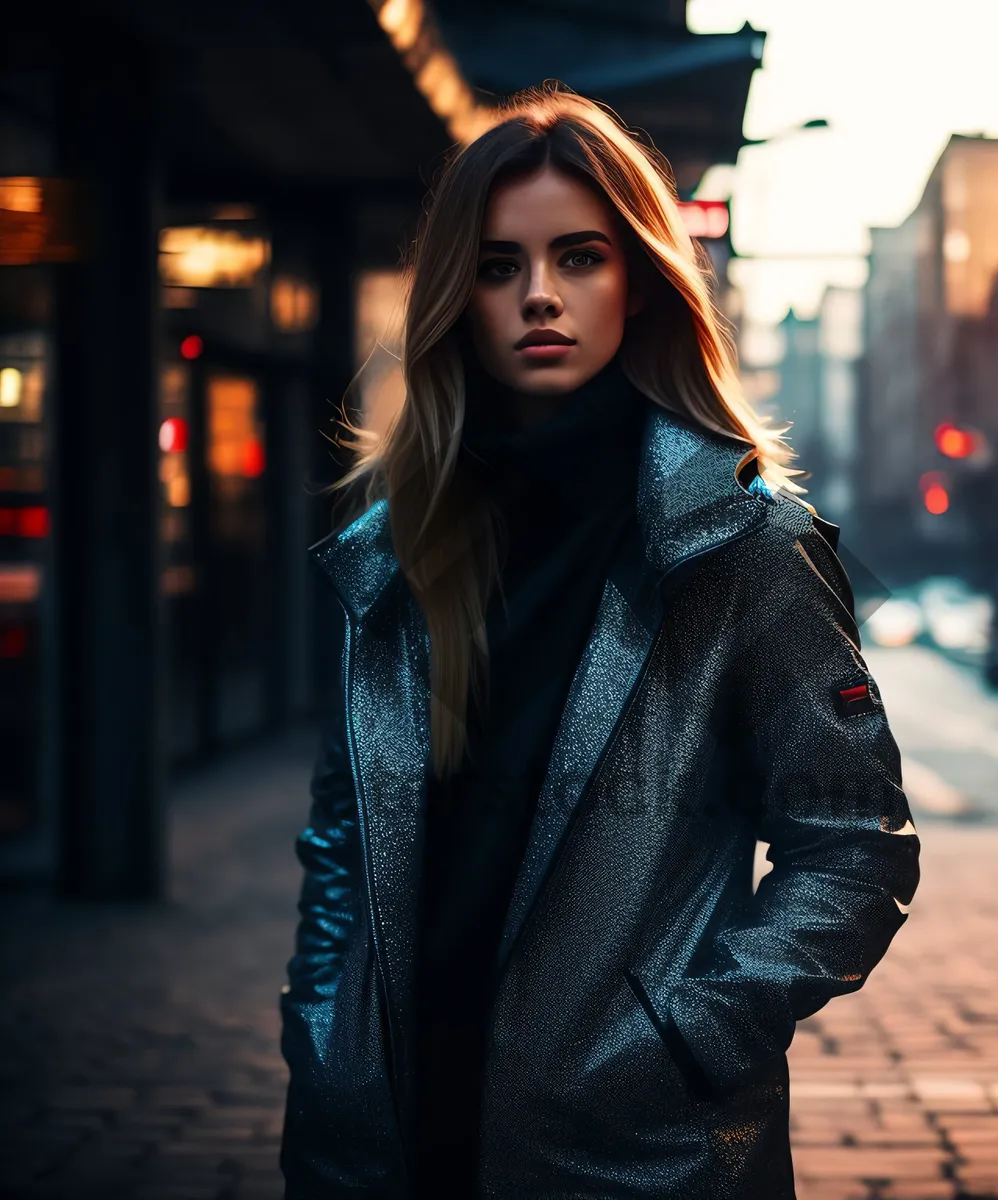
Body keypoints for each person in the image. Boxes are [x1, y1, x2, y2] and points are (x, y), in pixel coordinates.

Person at [278, 86, 920, 1200]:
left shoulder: (741, 549)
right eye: (497, 266)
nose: (539, 296)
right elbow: (344, 823)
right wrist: (320, 1022)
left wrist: (691, 1037)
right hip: (380, 1134)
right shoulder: (395, 551)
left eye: (579, 257)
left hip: (628, 1149)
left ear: (641, 279)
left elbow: (854, 844)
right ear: (455, 296)